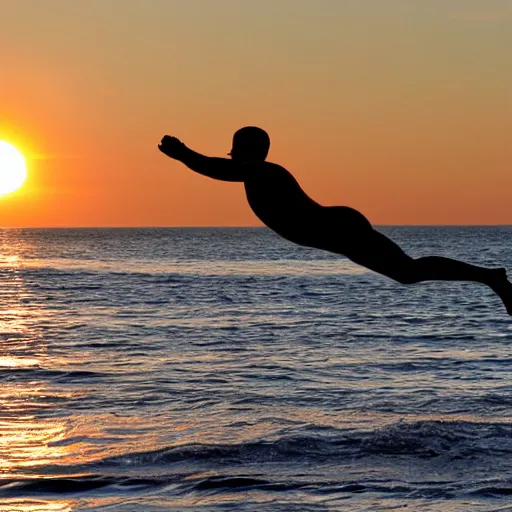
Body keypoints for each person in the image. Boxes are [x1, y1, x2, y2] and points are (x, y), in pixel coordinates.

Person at [158, 126, 512, 315]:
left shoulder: (264, 172)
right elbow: (218, 168)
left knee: (409, 271)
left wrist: (183, 154)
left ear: (253, 152)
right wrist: (186, 157)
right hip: (339, 229)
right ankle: (489, 277)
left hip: (338, 227)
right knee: (408, 272)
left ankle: (489, 277)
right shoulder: (254, 174)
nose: (235, 153)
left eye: (241, 148)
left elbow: (214, 168)